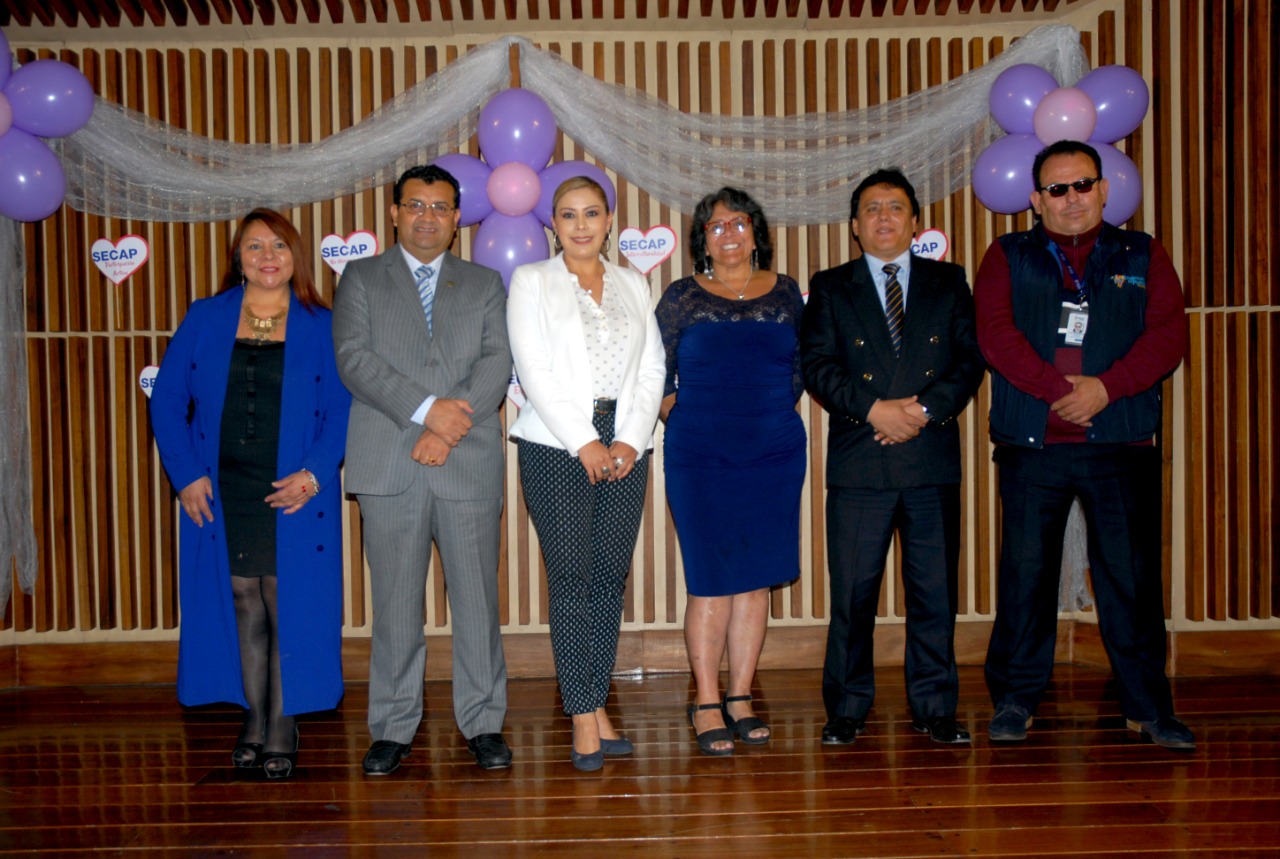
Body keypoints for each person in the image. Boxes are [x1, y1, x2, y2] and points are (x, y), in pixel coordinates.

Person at [975, 140, 1193, 750]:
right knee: (1025, 577)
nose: (1071, 198)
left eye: (1082, 185)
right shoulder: (1008, 254)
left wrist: (1106, 389)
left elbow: (1168, 335)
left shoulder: (1143, 254)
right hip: (1031, 442)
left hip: (1120, 440)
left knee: (1129, 578)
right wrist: (1055, 391)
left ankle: (1148, 708)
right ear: (1035, 199)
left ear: (1103, 189)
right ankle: (1016, 701)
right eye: (1056, 188)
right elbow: (995, 336)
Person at [150, 208, 351, 780]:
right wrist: (186, 473)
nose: (268, 256)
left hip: (293, 486)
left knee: (285, 599)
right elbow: (166, 401)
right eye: (255, 246)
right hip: (223, 485)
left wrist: (314, 473)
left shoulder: (320, 322)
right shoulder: (206, 317)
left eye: (279, 246)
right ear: (237, 257)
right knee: (242, 596)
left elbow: (341, 408)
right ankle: (255, 717)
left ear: (295, 257)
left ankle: (284, 720)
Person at [332, 164, 514, 775]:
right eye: (416, 205)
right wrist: (427, 413)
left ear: (458, 218)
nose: (428, 216)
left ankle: (484, 721)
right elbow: (354, 359)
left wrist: (449, 427)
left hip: (467, 462)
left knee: (477, 603)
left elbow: (497, 360)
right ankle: (392, 725)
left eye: (441, 207)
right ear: (394, 213)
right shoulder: (359, 277)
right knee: (396, 605)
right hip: (389, 463)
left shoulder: (486, 282)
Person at [800, 169, 985, 747]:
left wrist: (922, 413)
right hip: (861, 460)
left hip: (929, 458)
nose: (884, 217)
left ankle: (934, 706)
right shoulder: (831, 286)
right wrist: (875, 410)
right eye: (872, 209)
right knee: (853, 596)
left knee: (934, 593)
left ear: (914, 222)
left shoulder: (949, 281)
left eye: (896, 207)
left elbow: (969, 361)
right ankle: (847, 707)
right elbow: (817, 366)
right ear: (855, 227)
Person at [507, 176, 665, 772]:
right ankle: (580, 712)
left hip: (627, 443)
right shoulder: (531, 281)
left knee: (608, 578)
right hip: (555, 444)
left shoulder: (633, 281)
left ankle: (595, 703)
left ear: (608, 221)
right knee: (571, 578)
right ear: (552, 223)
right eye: (568, 214)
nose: (580, 225)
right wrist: (584, 442)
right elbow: (535, 369)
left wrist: (629, 437)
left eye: (591, 213)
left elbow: (652, 367)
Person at [655, 187, 805, 756]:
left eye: (738, 223)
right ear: (702, 241)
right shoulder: (682, 297)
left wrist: (760, 415)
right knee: (713, 579)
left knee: (757, 577)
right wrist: (687, 416)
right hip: (700, 455)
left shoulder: (787, 292)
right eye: (715, 226)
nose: (728, 233)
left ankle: (741, 697)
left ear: (756, 232)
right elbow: (655, 371)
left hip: (773, 451)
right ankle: (707, 699)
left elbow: (798, 368)